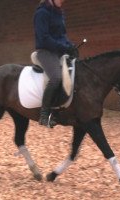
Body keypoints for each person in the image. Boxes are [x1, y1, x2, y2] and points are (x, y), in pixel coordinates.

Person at [33, 0, 78, 128]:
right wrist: (63, 47)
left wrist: (70, 46)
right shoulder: (41, 13)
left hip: (59, 52)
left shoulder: (59, 13)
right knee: (56, 77)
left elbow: (62, 35)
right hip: (45, 51)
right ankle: (44, 114)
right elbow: (44, 38)